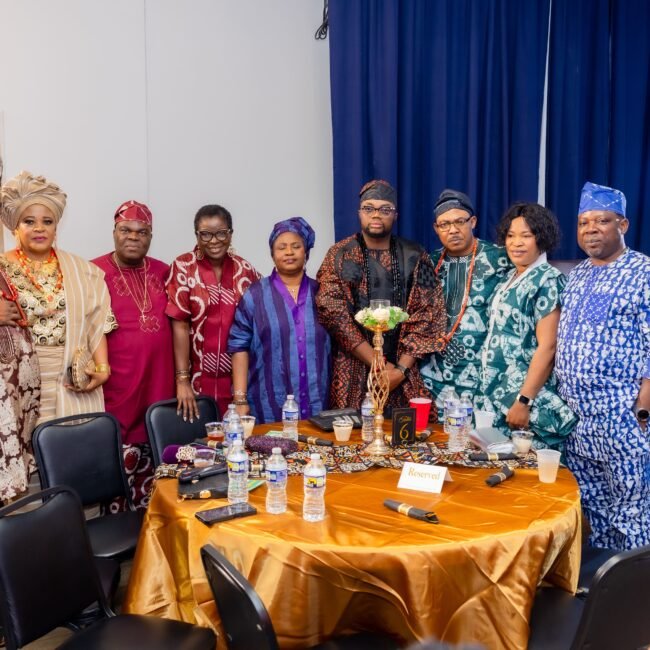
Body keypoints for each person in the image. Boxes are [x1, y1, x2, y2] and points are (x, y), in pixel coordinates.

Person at [556, 182, 650, 550]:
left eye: (602, 221)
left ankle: (638, 583)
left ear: (623, 225)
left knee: (633, 509)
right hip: (578, 421)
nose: (590, 229)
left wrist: (643, 409)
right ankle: (605, 581)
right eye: (583, 222)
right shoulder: (578, 273)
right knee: (593, 510)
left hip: (623, 416)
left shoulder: (643, 271)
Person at [316, 179, 444, 412]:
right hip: (352, 368)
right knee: (353, 431)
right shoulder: (339, 255)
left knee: (406, 431)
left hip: (403, 369)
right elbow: (332, 312)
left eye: (385, 209)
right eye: (369, 208)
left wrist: (400, 370)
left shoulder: (415, 254)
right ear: (359, 213)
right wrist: (378, 364)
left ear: (395, 215)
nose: (376, 215)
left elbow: (428, 313)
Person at [0, 171, 114, 425]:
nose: (39, 228)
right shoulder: (2, 268)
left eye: (47, 221)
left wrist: (102, 368)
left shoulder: (82, 270)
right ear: (15, 227)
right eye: (29, 221)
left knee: (69, 446)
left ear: (56, 227)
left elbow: (96, 322)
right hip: (15, 383)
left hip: (70, 380)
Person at [92, 200, 174, 509]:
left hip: (159, 386)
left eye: (142, 232)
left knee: (158, 472)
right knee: (116, 471)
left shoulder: (164, 271)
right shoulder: (93, 272)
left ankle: (152, 528)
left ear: (150, 236)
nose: (133, 237)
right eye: (125, 230)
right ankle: (115, 529)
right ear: (114, 232)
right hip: (118, 389)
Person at [479, 202, 576, 449]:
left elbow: (549, 347)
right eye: (511, 236)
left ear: (541, 239)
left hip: (522, 398)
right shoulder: (509, 277)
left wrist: (524, 400)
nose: (516, 243)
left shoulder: (548, 279)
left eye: (526, 236)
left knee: (527, 466)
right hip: (496, 394)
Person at [228, 217, 330, 423]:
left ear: (306, 252)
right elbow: (239, 346)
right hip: (267, 404)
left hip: (318, 403)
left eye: (296, 246)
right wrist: (239, 400)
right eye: (281, 247)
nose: (289, 252)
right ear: (272, 254)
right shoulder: (255, 295)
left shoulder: (324, 294)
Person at [419, 189, 511, 418]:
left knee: (478, 436)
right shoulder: (429, 262)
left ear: (473, 222)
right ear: (436, 228)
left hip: (483, 373)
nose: (452, 230)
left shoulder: (501, 258)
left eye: (459, 221)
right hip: (435, 375)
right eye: (444, 224)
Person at [166, 204, 261, 419]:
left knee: (235, 436)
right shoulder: (183, 267)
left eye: (221, 233)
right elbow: (180, 325)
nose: (214, 240)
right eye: (206, 234)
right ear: (197, 235)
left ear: (231, 234)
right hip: (195, 381)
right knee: (197, 437)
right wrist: (182, 380)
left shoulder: (245, 270)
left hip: (237, 383)